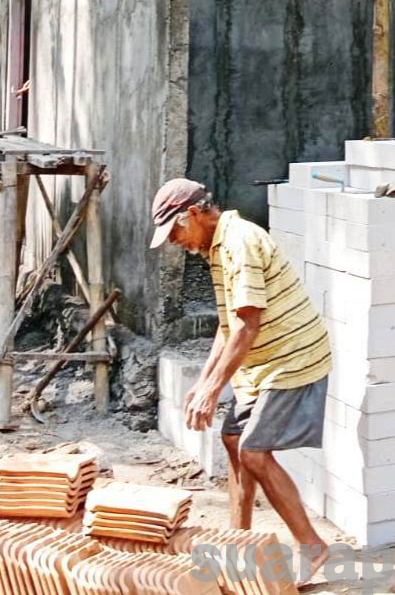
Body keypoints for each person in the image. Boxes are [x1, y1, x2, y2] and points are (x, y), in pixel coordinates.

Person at [149, 178, 333, 582]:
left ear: (193, 214)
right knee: (233, 441)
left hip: (291, 359)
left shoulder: (239, 244)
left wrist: (215, 389)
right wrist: (204, 381)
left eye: (176, 231)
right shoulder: (216, 247)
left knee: (253, 452)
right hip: (262, 362)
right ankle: (238, 542)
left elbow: (248, 325)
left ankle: (312, 547)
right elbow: (228, 324)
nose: (175, 242)